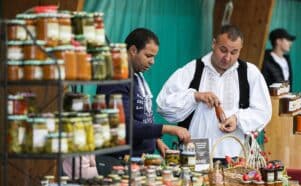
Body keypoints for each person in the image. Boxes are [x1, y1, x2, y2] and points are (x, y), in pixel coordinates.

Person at [156, 25, 272, 164]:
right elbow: (163, 104)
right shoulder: (193, 69)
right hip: (197, 149)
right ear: (213, 43)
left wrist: (238, 119)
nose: (227, 57)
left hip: (236, 152)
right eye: (223, 50)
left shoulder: (250, 73)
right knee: (197, 184)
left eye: (234, 52)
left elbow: (263, 111)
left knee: (233, 185)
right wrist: (195, 96)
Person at [97, 28, 190, 158]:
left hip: (140, 159)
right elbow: (123, 125)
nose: (152, 62)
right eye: (148, 56)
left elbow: (143, 116)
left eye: (154, 57)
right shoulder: (116, 79)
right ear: (133, 50)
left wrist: (157, 141)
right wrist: (169, 129)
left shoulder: (137, 76)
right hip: (120, 162)